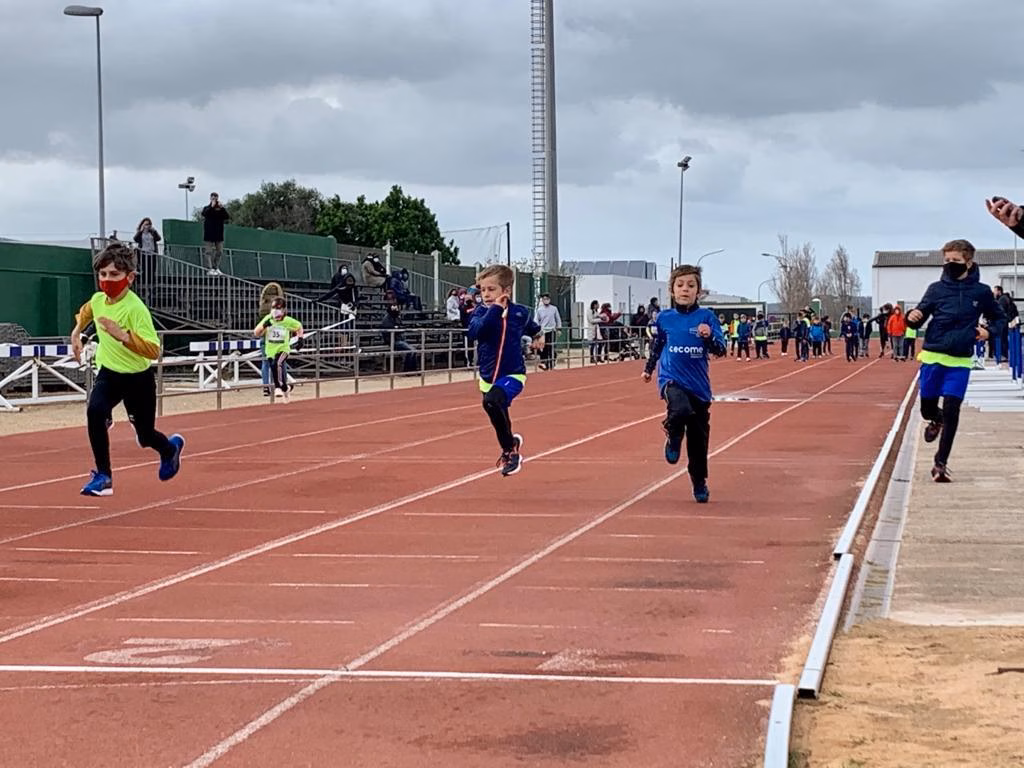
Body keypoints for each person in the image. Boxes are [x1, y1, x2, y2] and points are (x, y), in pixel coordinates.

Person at [69, 242, 184, 496]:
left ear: (129, 277)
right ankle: (104, 476)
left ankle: (169, 449)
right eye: (103, 274)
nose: (107, 280)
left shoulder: (135, 309)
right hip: (110, 374)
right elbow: (87, 311)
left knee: (145, 436)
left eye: (114, 275)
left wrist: (123, 336)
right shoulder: (99, 299)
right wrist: (77, 331)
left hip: (138, 379)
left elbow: (154, 350)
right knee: (95, 411)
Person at [905, 239, 1006, 482]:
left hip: (960, 360)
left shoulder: (981, 292)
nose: (950, 265)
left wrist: (989, 332)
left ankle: (940, 463)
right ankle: (934, 418)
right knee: (927, 407)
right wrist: (912, 317)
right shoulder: (936, 289)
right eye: (947, 261)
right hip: (933, 355)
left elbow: (999, 318)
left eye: (956, 261)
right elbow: (918, 317)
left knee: (952, 408)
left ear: (968, 263)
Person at [642, 264, 727, 503]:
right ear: (672, 290)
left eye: (691, 285)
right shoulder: (665, 318)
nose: (685, 290)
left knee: (698, 443)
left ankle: (699, 482)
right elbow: (657, 346)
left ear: (698, 291)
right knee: (679, 409)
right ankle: (673, 434)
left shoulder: (707, 318)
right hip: (671, 378)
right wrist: (649, 369)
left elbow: (720, 350)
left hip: (699, 387)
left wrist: (708, 337)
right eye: (680, 285)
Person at [468, 265, 544, 477]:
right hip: (487, 377)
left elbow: (532, 327)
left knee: (492, 401)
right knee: (497, 413)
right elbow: (476, 332)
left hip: (513, 374)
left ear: (506, 291)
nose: (486, 295)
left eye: (491, 289)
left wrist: (539, 336)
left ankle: (510, 452)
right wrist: (495, 311)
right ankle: (511, 442)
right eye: (482, 290)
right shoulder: (481, 313)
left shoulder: (520, 313)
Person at [254, 296, 304, 404]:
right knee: (273, 365)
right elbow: (256, 332)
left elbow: (299, 326)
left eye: (278, 308)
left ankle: (277, 387)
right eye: (274, 308)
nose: (276, 311)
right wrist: (264, 325)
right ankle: (285, 388)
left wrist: (300, 339)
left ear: (284, 310)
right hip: (271, 349)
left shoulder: (287, 321)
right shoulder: (268, 318)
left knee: (278, 362)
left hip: (283, 348)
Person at [200, 192, 230, 276]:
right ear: (210, 198)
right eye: (213, 198)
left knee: (219, 251)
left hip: (219, 234)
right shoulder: (207, 208)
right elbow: (204, 214)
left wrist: (222, 207)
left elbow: (227, 216)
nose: (214, 199)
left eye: (216, 198)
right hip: (209, 233)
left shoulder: (220, 210)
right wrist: (211, 206)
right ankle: (209, 269)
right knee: (208, 252)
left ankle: (216, 267)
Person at [533, 293, 562, 370]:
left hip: (551, 330)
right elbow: (536, 320)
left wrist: (559, 329)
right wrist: (537, 330)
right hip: (543, 331)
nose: (546, 300)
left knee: (551, 347)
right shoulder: (539, 310)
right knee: (543, 348)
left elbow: (558, 319)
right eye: (544, 299)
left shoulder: (554, 309)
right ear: (542, 300)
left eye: (547, 299)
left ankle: (552, 363)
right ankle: (544, 363)